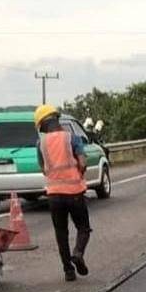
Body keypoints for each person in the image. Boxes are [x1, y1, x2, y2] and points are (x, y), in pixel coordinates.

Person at [35, 105, 91, 282]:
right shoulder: (71, 138)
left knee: (61, 233)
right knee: (83, 227)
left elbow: (44, 169)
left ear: (42, 126)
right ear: (57, 120)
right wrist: (78, 175)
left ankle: (68, 270)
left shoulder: (41, 144)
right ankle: (78, 253)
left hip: (54, 195)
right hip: (74, 192)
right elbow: (82, 162)